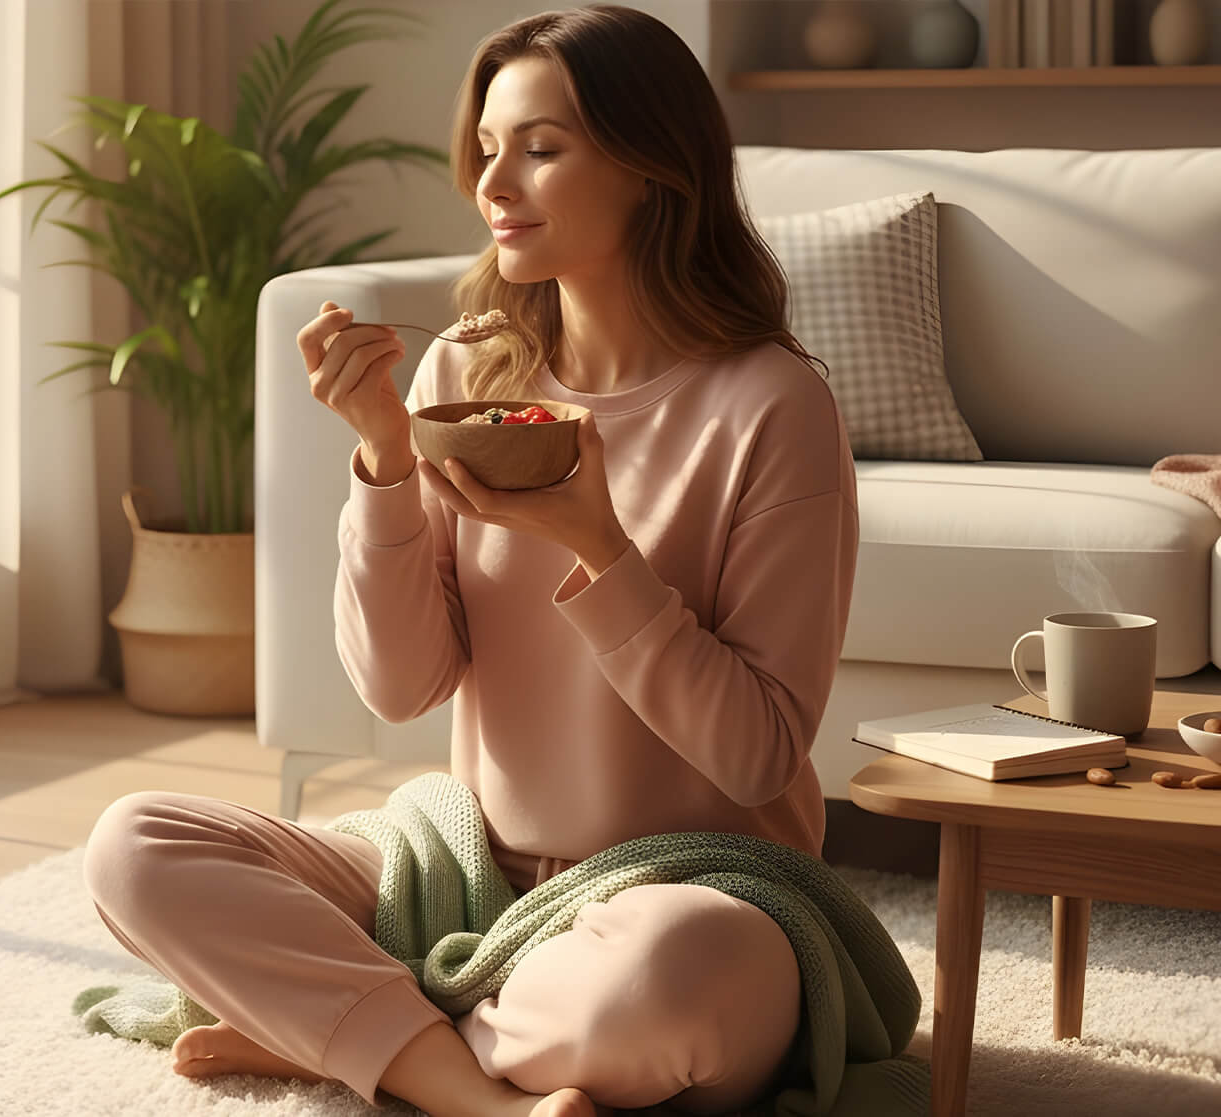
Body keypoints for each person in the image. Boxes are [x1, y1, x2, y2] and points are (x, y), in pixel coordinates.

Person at [83, 6, 857, 1116]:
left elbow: (755, 755)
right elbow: (400, 688)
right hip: (467, 877)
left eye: (541, 149)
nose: (494, 183)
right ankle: (475, 1090)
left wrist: (596, 543)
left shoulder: (773, 405)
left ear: (651, 167)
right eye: (487, 149)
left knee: (666, 984)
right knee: (134, 844)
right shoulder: (469, 370)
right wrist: (384, 460)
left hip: (695, 887)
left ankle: (355, 1029)